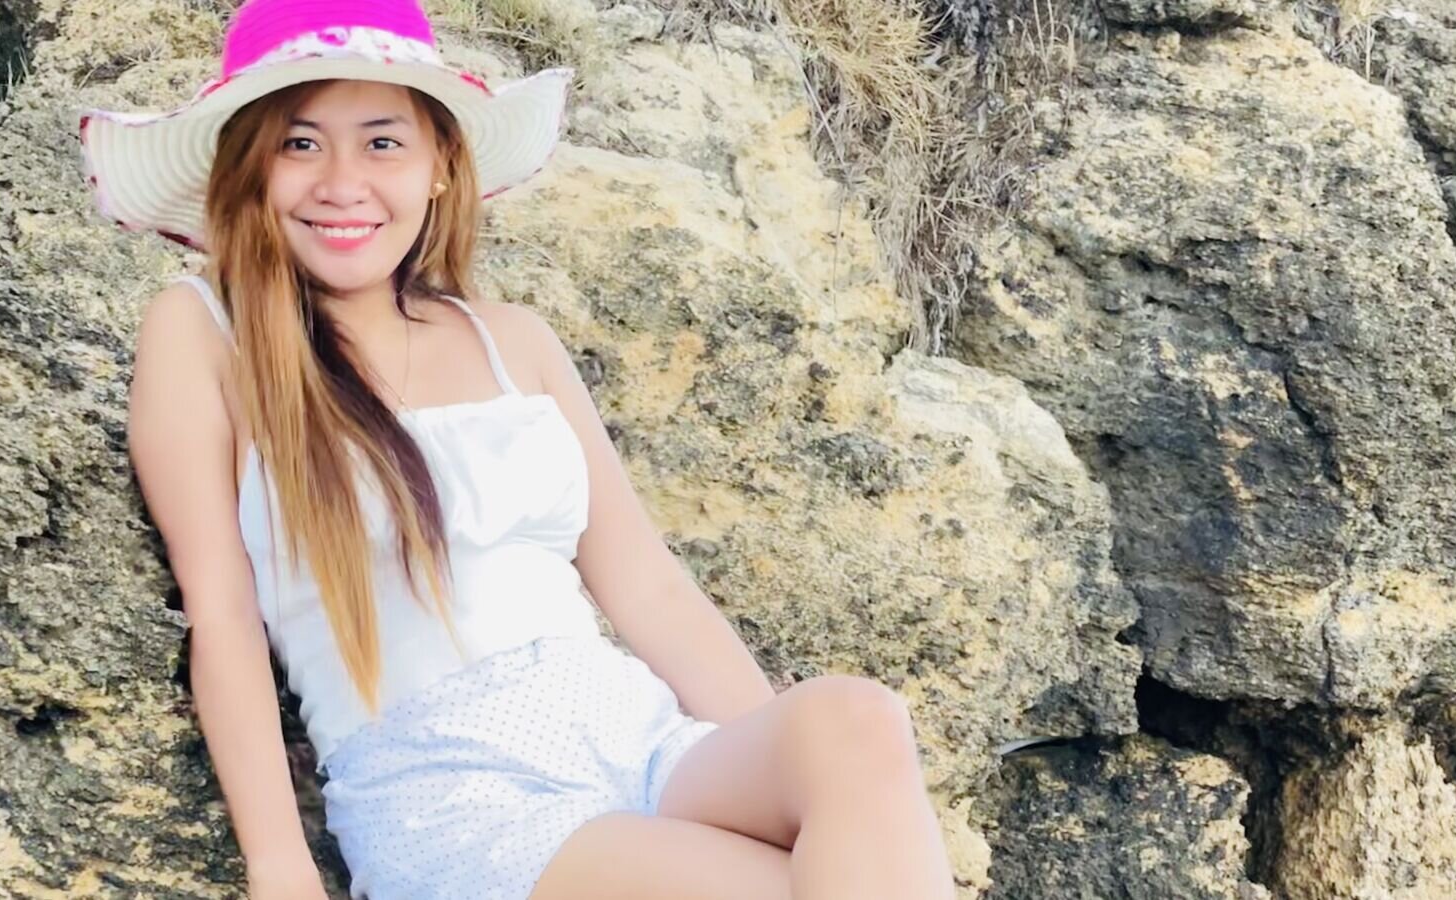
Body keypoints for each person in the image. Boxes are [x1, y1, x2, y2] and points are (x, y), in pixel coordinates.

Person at [80, 0, 957, 897]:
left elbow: (648, 586)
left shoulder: (511, 339)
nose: (342, 183)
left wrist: (783, 783)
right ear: (249, 168)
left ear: (439, 166)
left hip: (638, 740)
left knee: (854, 721)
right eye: (299, 144)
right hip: (451, 791)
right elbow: (222, 611)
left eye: (383, 143)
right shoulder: (203, 331)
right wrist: (280, 867)